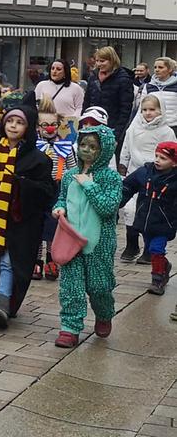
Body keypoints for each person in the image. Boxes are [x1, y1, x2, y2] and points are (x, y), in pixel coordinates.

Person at [0, 107, 57, 329]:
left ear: (28, 128)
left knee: (9, 260)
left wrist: (20, 185)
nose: (13, 126)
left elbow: (46, 191)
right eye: (10, 121)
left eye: (19, 122)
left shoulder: (38, 159)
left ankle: (3, 301)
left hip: (19, 222)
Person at [51, 124, 121, 347]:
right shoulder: (70, 175)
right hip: (70, 239)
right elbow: (62, 198)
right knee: (71, 286)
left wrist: (90, 186)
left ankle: (104, 313)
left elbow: (108, 207)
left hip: (98, 243)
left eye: (93, 146)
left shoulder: (111, 178)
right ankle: (69, 328)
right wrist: (59, 207)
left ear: (104, 150)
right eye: (82, 144)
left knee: (99, 287)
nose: (86, 150)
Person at [119, 95, 176, 262]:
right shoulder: (134, 129)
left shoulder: (166, 131)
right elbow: (126, 148)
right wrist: (123, 166)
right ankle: (131, 244)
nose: (148, 113)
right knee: (130, 210)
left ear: (161, 110)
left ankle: (148, 249)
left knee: (150, 211)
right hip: (137, 172)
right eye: (144, 110)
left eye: (152, 109)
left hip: (159, 176)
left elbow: (172, 153)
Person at [120, 140, 177, 297]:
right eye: (157, 156)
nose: (158, 160)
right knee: (152, 249)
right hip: (145, 220)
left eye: (163, 158)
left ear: (174, 163)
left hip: (164, 223)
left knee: (156, 249)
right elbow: (128, 186)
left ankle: (157, 280)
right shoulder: (145, 172)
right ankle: (164, 266)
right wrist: (119, 200)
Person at [33, 101, 75, 281]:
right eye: (45, 125)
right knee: (37, 227)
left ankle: (51, 259)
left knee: (53, 226)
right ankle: (36, 260)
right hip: (38, 190)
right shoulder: (33, 146)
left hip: (57, 190)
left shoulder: (66, 147)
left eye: (53, 124)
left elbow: (73, 169)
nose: (49, 128)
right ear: (37, 127)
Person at [84, 46, 136, 158]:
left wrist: (117, 135)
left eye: (102, 61)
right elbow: (87, 101)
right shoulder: (93, 77)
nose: (99, 64)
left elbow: (125, 109)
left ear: (112, 60)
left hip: (111, 127)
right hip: (91, 125)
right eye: (97, 61)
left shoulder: (123, 79)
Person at [140, 57, 177, 131]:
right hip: (152, 126)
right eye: (155, 67)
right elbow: (141, 108)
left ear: (169, 69)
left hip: (172, 126)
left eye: (160, 67)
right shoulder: (148, 86)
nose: (157, 70)